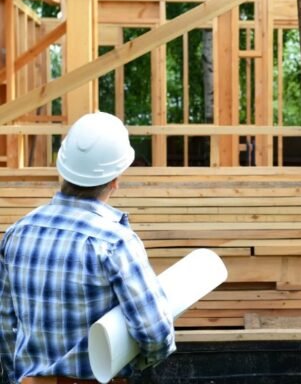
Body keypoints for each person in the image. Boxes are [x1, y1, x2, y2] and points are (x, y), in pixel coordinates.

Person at [0, 112, 176, 384]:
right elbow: (155, 333)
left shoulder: (16, 233)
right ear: (116, 178)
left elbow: (6, 325)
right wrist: (135, 361)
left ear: (62, 167)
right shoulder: (115, 242)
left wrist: (17, 376)